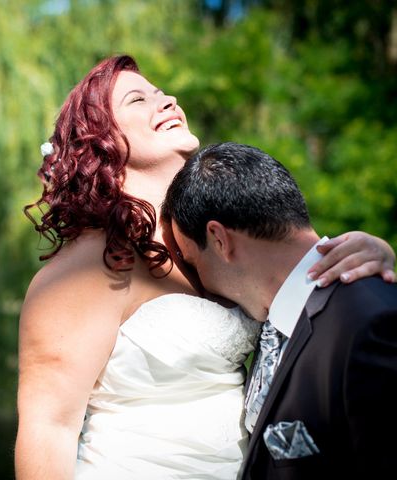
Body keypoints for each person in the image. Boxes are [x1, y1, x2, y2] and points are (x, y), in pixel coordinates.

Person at [15, 55, 396, 479]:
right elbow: (49, 428)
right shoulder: (90, 264)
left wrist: (370, 255)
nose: (168, 100)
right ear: (99, 140)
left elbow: (299, 294)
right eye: (138, 99)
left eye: (162, 93)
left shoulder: (217, 234)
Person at [162, 142, 397, 479]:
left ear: (219, 240)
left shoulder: (370, 323)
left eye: (194, 263)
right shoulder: (272, 323)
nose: (202, 284)